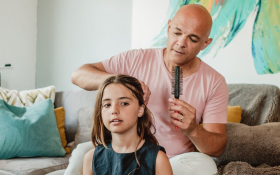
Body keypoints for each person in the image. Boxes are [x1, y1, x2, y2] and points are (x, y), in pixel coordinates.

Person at [72, 4, 228, 175]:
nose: (181, 43)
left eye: (193, 39)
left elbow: (217, 148)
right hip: (121, 151)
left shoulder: (214, 82)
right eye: (177, 32)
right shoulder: (136, 59)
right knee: (82, 152)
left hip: (172, 160)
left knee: (205, 165)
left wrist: (193, 129)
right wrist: (124, 83)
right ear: (168, 28)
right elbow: (78, 75)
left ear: (205, 43)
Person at [83, 75, 173, 175]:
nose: (114, 110)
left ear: (140, 109)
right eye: (107, 105)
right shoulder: (90, 158)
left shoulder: (158, 159)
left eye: (124, 103)